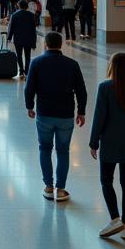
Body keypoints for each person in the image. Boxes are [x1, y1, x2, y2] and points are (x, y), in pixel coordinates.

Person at [89, 53, 125, 241]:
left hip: (110, 140)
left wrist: (93, 142)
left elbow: (99, 117)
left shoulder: (105, 87)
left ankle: (115, 218)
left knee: (106, 180)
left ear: (112, 67)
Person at [25, 32, 87, 201]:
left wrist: (29, 106)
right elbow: (81, 90)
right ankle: (60, 189)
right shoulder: (72, 64)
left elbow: (29, 88)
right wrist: (81, 111)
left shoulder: (36, 63)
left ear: (45, 44)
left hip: (44, 112)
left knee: (44, 148)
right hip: (66, 114)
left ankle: (48, 186)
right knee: (63, 151)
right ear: (61, 45)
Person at [7, 0, 38, 78]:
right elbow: (33, 30)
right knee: (28, 55)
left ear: (19, 6)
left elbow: (11, 28)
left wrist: (9, 38)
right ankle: (27, 71)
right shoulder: (31, 15)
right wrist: (34, 42)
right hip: (28, 38)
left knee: (19, 55)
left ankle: (21, 71)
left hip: (18, 39)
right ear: (27, 6)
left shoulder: (14, 15)